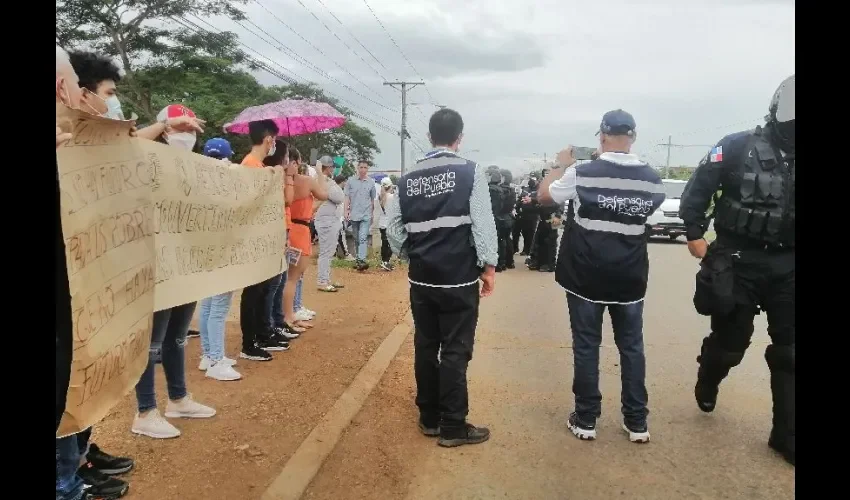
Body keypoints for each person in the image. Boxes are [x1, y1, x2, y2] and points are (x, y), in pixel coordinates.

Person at [678, 75, 795, 466]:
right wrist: (695, 234)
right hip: (738, 259)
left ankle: (785, 436)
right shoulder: (736, 145)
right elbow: (696, 191)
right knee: (731, 345)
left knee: (791, 351)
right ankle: (709, 374)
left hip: (789, 264)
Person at [538, 109, 665, 444]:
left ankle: (586, 418)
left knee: (586, 345)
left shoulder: (582, 171)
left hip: (585, 277)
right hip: (630, 277)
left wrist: (560, 164)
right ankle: (637, 422)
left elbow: (544, 196)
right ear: (633, 137)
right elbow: (649, 219)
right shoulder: (651, 178)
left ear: (602, 136)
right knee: (632, 347)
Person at [386, 108, 498, 448]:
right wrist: (488, 266)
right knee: (455, 349)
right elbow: (482, 221)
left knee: (425, 343)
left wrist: (412, 255)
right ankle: (453, 425)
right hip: (458, 279)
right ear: (459, 138)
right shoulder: (470, 172)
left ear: (429, 137)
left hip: (422, 279)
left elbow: (393, 230)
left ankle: (429, 417)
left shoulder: (407, 179)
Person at [58, 45, 131, 500]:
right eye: (106, 93)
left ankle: (79, 458)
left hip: (87, 288)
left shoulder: (80, 144)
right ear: (78, 92)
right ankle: (66, 479)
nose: (109, 103)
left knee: (83, 372)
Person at [130, 105, 217, 440]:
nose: (188, 136)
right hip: (157, 265)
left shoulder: (194, 168)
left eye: (193, 130)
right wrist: (163, 123)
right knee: (152, 341)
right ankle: (145, 410)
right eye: (182, 129)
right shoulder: (145, 161)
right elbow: (125, 147)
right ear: (165, 131)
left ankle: (178, 398)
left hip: (187, 263)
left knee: (177, 337)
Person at [239, 120, 290, 361]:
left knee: (261, 291)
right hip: (253, 239)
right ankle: (249, 343)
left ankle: (261, 333)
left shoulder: (259, 165)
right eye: (274, 139)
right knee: (253, 292)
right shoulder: (250, 165)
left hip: (264, 238)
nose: (274, 145)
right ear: (268, 138)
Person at [195, 138, 242, 381]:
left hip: (204, 248)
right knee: (218, 307)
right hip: (220, 249)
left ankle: (208, 354)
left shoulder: (198, 178)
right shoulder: (222, 182)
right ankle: (215, 359)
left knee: (208, 304)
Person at [281, 148, 329, 333]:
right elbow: (324, 194)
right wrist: (319, 172)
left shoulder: (283, 182)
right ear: (296, 161)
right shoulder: (306, 181)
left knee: (285, 278)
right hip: (299, 231)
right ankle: (288, 315)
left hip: (287, 228)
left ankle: (287, 314)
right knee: (293, 278)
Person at [314, 156, 347, 291]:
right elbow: (338, 198)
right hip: (326, 221)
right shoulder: (324, 181)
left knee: (328, 252)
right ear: (327, 168)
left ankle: (325, 279)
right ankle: (322, 281)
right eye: (332, 166)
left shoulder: (326, 180)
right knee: (326, 252)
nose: (333, 168)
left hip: (329, 220)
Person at [344, 160, 376, 271]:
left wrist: (372, 214)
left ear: (368, 169)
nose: (363, 169)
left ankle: (362, 260)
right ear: (357, 168)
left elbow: (372, 200)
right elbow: (347, 197)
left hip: (366, 215)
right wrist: (346, 211)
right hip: (354, 214)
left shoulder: (371, 182)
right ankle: (359, 261)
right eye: (361, 167)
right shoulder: (350, 181)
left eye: (365, 167)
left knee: (363, 237)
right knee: (357, 238)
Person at [513, 177, 539, 256]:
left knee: (529, 234)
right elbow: (520, 199)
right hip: (522, 214)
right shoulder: (525, 189)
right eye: (531, 179)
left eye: (534, 179)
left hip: (532, 216)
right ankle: (515, 248)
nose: (531, 181)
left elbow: (539, 202)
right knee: (518, 232)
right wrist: (516, 208)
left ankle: (527, 250)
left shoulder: (539, 190)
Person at [497, 168, 517, 269]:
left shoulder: (499, 190)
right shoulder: (511, 190)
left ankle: (502, 262)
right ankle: (510, 261)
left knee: (501, 240)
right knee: (507, 239)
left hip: (501, 217)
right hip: (509, 217)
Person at [378, 177, 396, 271]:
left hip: (382, 224)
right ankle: (386, 261)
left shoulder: (380, 196)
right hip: (389, 224)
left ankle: (384, 262)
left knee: (384, 243)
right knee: (391, 244)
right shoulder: (391, 197)